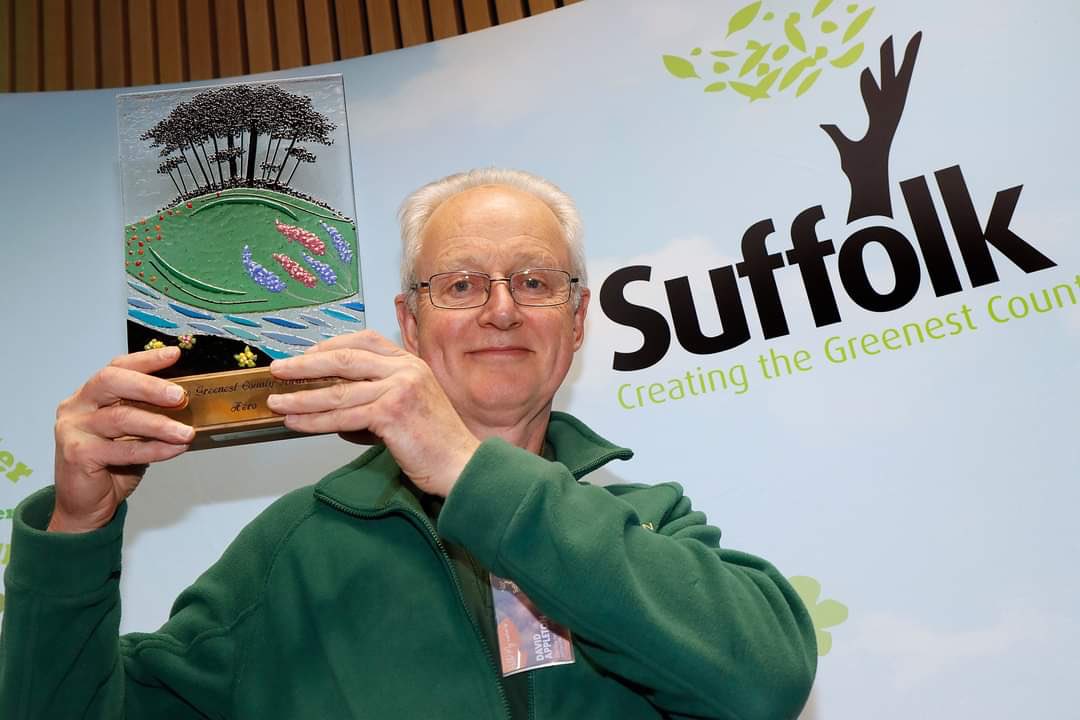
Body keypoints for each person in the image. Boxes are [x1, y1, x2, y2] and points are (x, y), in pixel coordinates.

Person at [0, 169, 817, 719]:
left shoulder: (648, 528)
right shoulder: (295, 553)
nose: (501, 310)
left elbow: (766, 678)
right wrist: (75, 532)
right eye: (460, 284)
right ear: (409, 324)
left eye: (534, 282)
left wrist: (466, 466)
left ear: (576, 321)